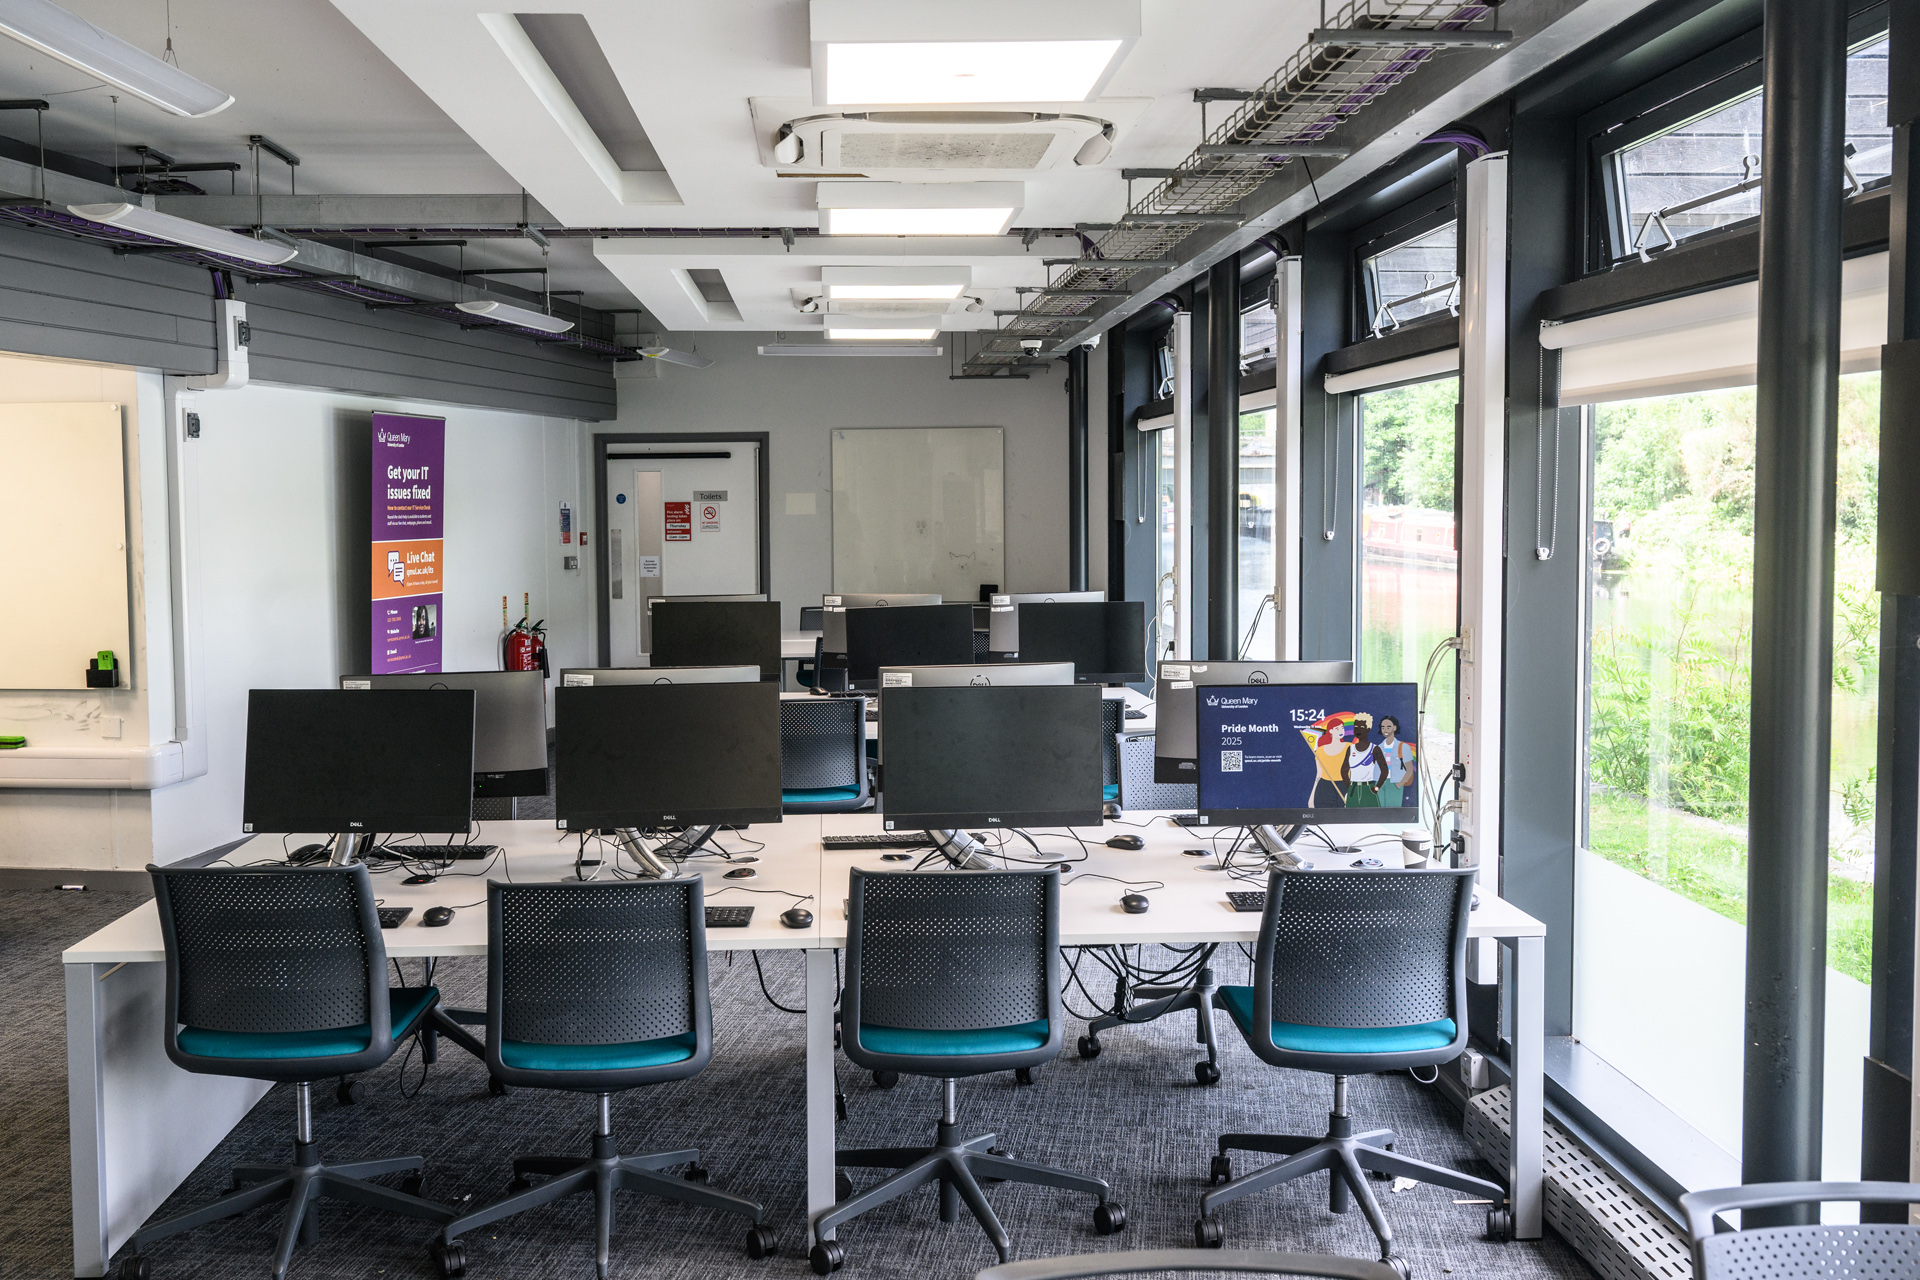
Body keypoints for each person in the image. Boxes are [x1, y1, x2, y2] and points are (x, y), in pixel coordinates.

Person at [1341, 714, 1389, 808]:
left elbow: (1384, 770)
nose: (1358, 730)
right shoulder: (1350, 749)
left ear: (1368, 729)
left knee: (1373, 816)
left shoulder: (1375, 749)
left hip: (1368, 788)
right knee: (1351, 817)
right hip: (1353, 788)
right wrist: (1349, 787)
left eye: (1362, 727)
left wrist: (1376, 788)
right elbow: (1343, 770)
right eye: (1356, 727)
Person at [1375, 714, 1417, 809]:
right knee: (1380, 812)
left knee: (1393, 813)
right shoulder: (1378, 748)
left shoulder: (1403, 747)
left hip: (1394, 783)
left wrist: (1399, 784)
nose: (1385, 730)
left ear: (1394, 728)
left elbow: (1409, 769)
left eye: (1388, 727)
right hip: (1380, 783)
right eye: (1383, 727)